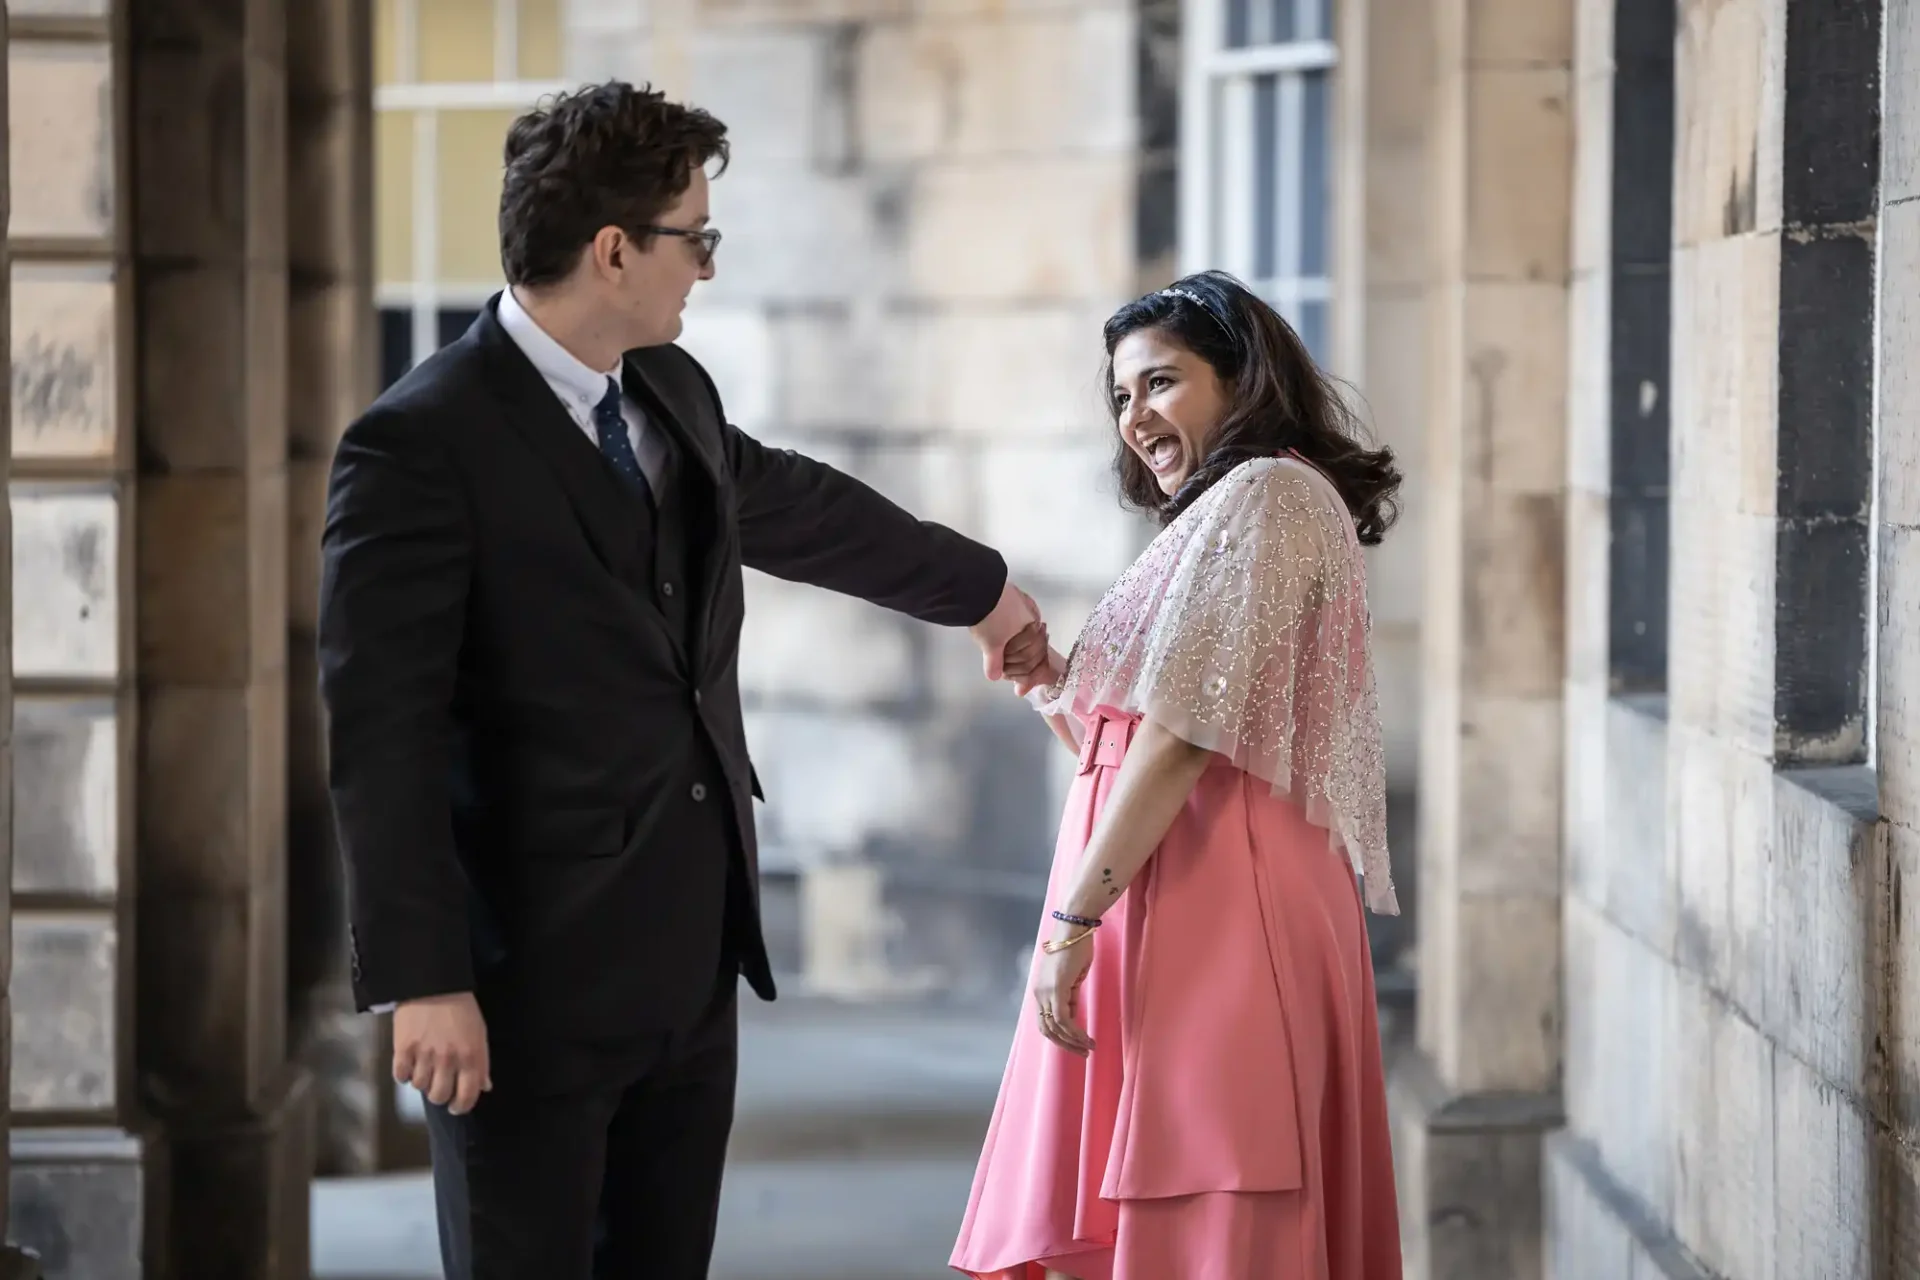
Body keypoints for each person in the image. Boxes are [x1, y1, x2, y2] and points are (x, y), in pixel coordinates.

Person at [317, 81, 1042, 1280]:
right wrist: (424, 978)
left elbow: (802, 508)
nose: (706, 265)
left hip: (688, 962)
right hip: (519, 988)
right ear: (613, 250)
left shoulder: (668, 389)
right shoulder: (415, 447)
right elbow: (378, 732)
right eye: (694, 236)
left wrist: (980, 591)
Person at [951, 270, 1405, 1280]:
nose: (1136, 417)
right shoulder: (1231, 508)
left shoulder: (1269, 493)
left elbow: (1183, 737)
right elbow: (1138, 742)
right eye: (1121, 396)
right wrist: (1050, 683)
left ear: (1240, 381)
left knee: (1221, 1212)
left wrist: (1072, 923)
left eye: (1160, 383)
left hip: (1229, 908)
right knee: (1177, 1217)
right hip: (1183, 892)